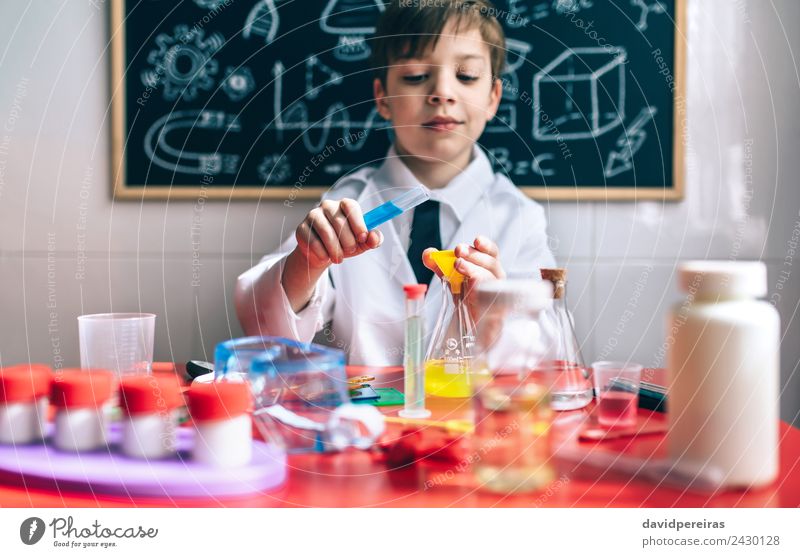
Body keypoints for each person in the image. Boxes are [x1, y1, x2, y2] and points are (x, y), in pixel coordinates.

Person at [235, 0, 555, 365]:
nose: (443, 93)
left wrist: (496, 316)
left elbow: (549, 352)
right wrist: (306, 263)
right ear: (383, 98)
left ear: (493, 97)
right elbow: (264, 328)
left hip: (472, 417)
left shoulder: (519, 217)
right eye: (416, 75)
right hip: (367, 418)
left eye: (466, 75)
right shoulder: (346, 203)